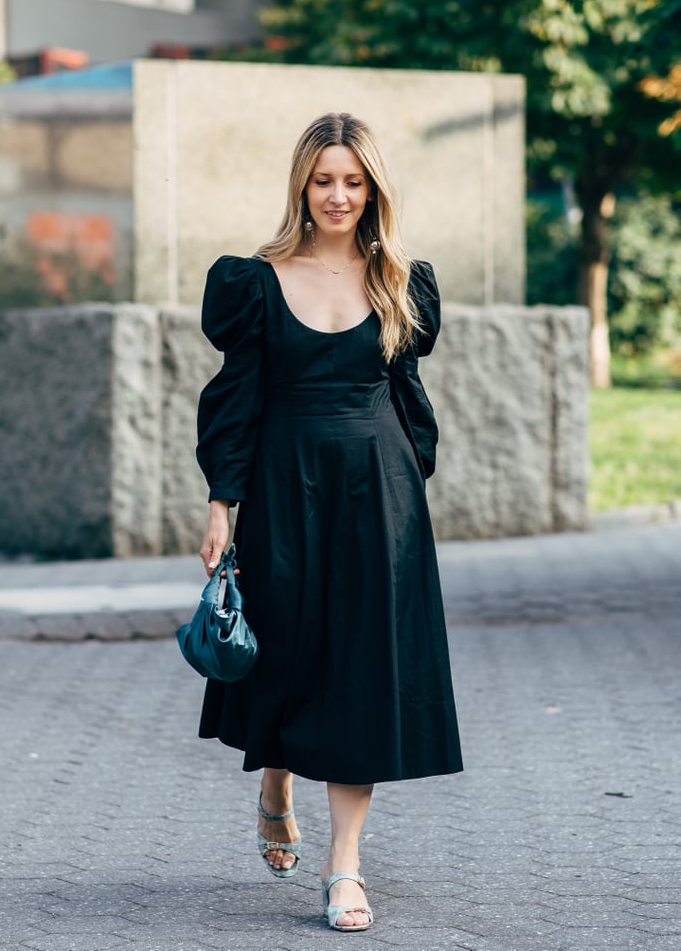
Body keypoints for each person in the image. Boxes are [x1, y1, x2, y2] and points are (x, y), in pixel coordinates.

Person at [196, 111, 463, 933]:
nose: (338, 196)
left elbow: (406, 397)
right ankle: (275, 777)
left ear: (372, 188)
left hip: (375, 492)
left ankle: (343, 867)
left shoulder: (400, 279)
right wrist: (221, 500)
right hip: (281, 486)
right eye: (324, 180)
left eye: (353, 181)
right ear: (301, 186)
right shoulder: (253, 279)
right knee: (286, 654)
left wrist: (405, 487)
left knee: (362, 670)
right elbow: (236, 399)